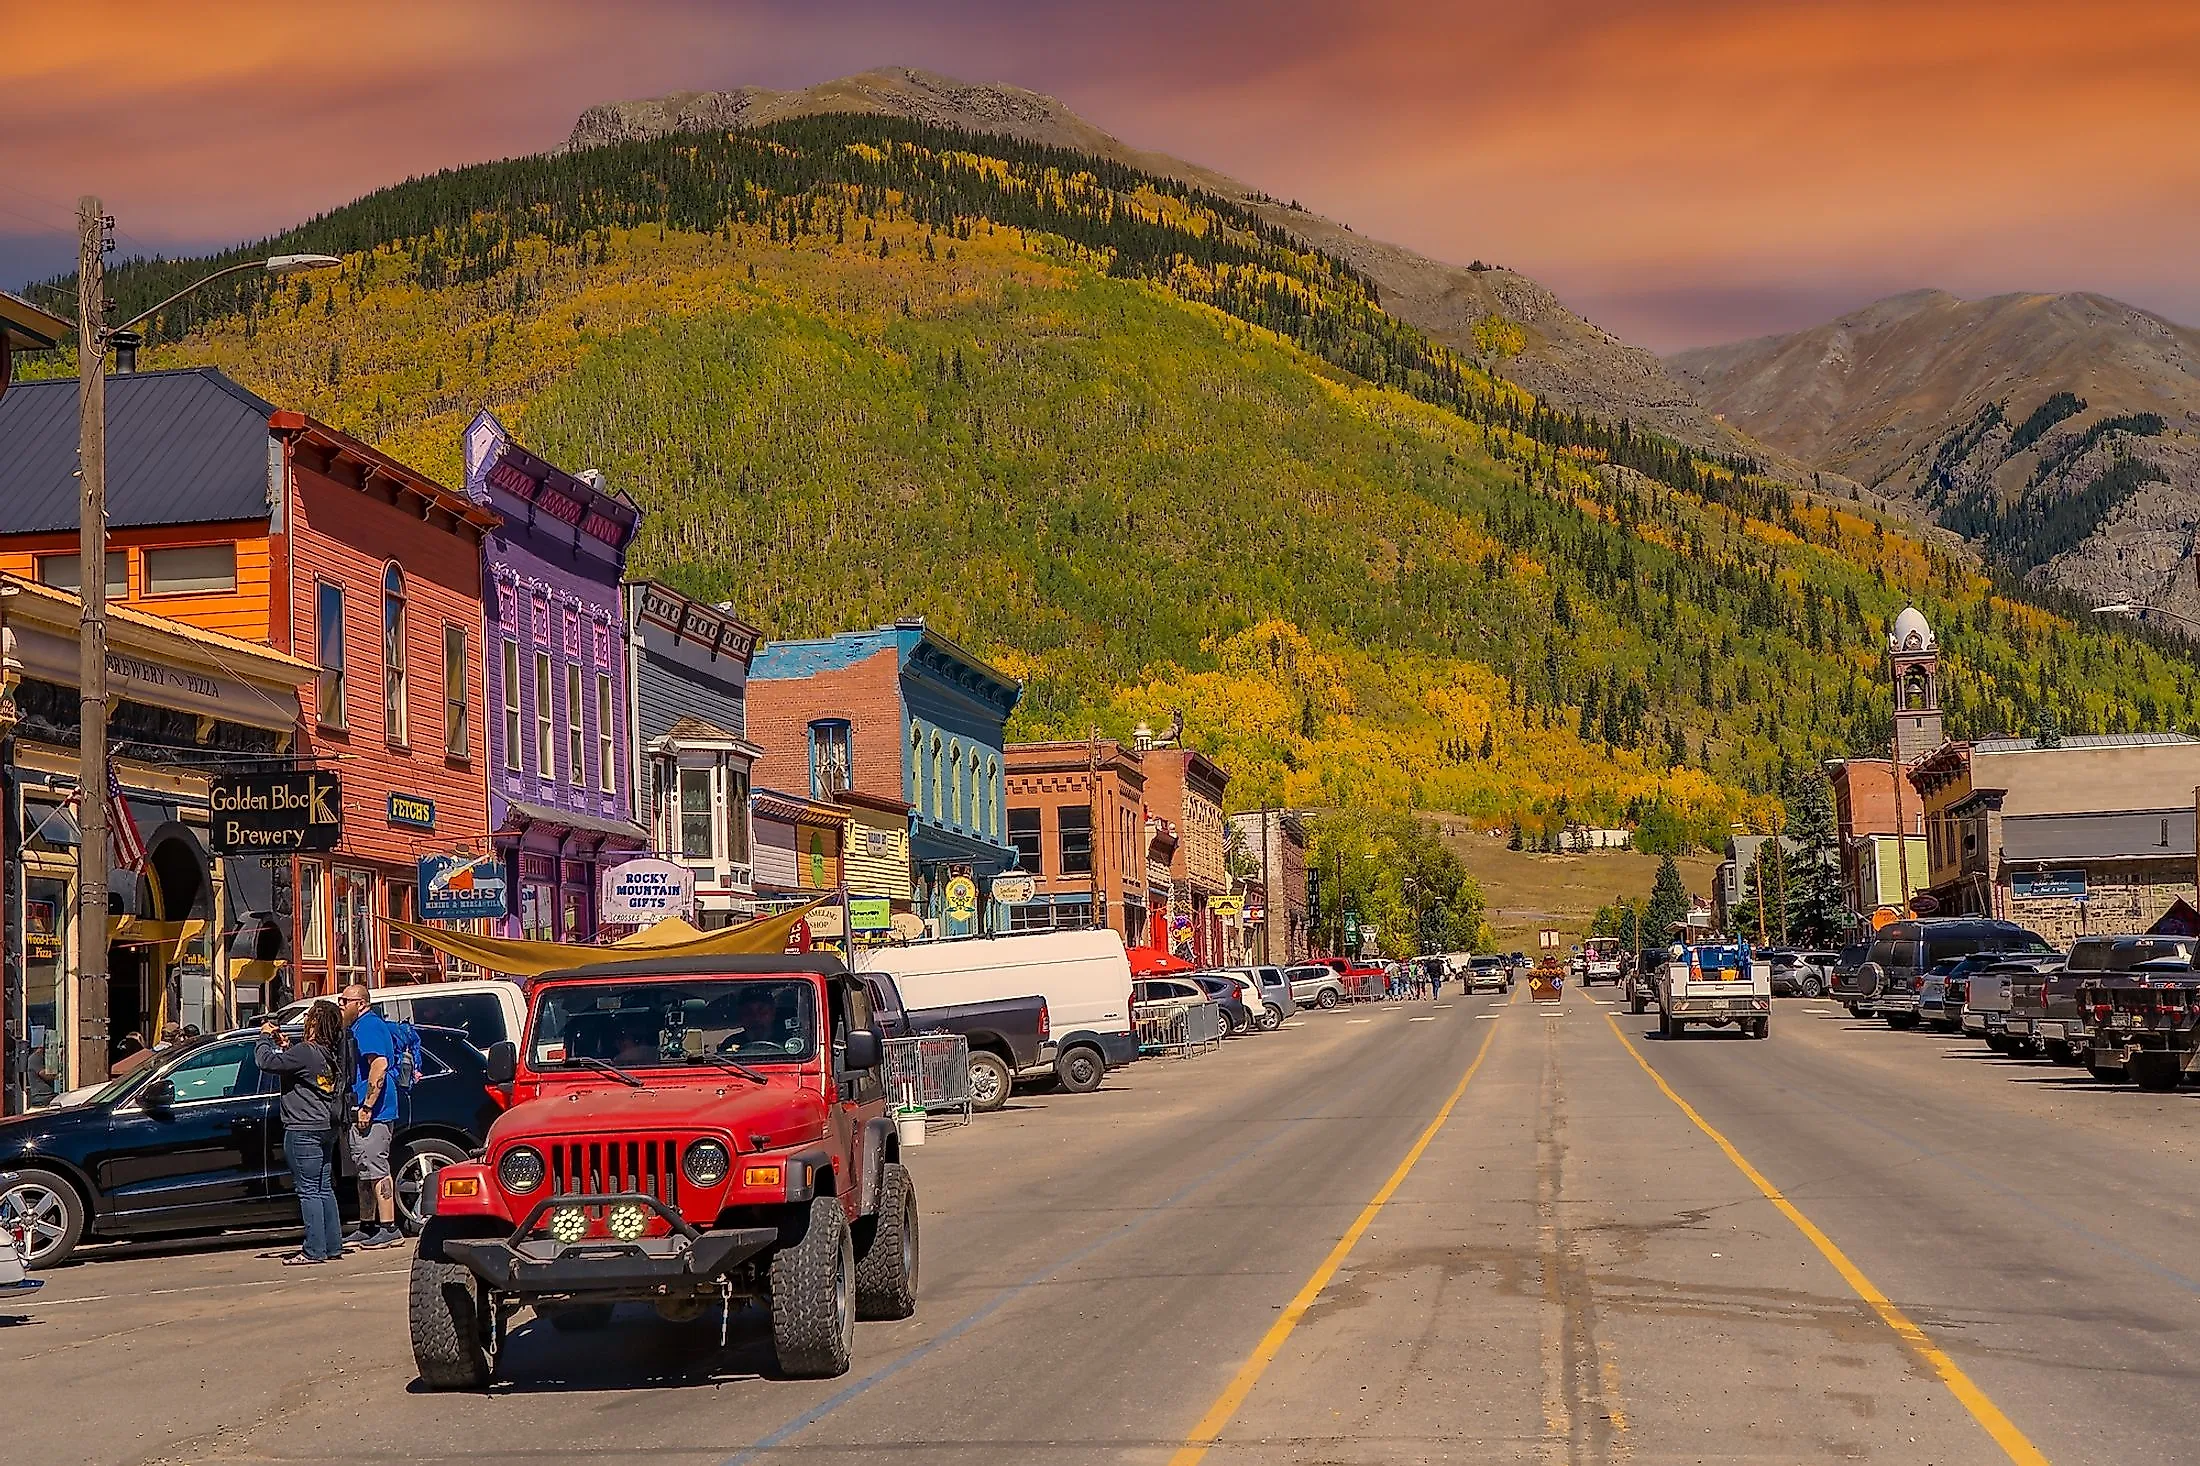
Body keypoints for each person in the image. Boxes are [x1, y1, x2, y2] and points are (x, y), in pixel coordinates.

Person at [257, 1002, 345, 1264]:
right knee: (323, 1188)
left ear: (316, 1023)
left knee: (308, 1190)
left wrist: (263, 1037)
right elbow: (300, 1069)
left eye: (308, 1017)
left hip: (303, 1128)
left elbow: (266, 1062)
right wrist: (286, 1048)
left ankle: (314, 1249)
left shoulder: (307, 1051)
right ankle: (332, 1245)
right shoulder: (327, 1052)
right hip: (325, 1126)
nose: (305, 1020)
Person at [338, 984, 402, 1249]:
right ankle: (367, 1226)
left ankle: (389, 1228)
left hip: (374, 1113)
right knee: (364, 1169)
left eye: (345, 1001)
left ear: (361, 1004)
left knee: (376, 1167)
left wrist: (367, 1106)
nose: (341, 1005)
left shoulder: (370, 1027)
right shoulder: (356, 1028)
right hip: (358, 1110)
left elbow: (380, 1066)